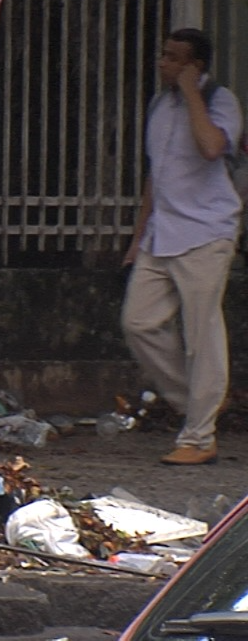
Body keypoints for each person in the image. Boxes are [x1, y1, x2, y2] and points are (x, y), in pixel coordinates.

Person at [122, 28, 244, 466]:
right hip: (163, 232)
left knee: (202, 336)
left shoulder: (220, 101)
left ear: (195, 65)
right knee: (138, 323)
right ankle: (194, 401)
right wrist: (138, 238)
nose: (163, 63)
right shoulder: (159, 105)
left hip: (207, 232)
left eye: (174, 59)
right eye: (163, 54)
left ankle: (199, 435)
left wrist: (192, 90)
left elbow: (212, 147)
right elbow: (157, 175)